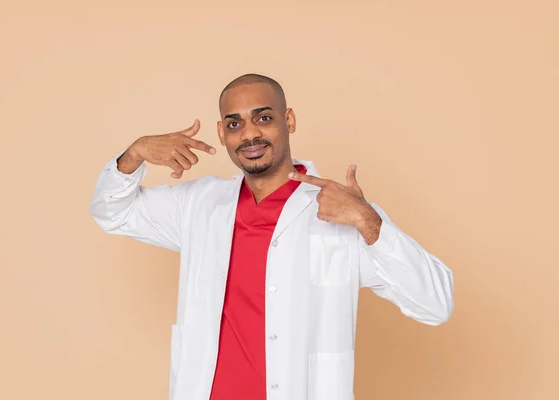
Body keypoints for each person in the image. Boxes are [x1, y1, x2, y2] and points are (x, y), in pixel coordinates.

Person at [89, 73, 454, 400]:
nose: (249, 134)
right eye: (235, 124)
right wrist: (135, 154)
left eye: (263, 118)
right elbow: (111, 211)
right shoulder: (200, 206)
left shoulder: (342, 212)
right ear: (222, 134)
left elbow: (436, 304)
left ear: (289, 120)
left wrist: (368, 220)